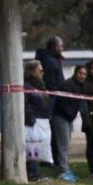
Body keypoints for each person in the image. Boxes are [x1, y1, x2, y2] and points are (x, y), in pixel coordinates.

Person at [52, 64, 87, 182]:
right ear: (76, 73)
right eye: (80, 73)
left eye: (84, 74)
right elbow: (63, 103)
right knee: (64, 144)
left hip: (68, 118)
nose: (82, 76)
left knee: (66, 144)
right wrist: (70, 115)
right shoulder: (67, 85)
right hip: (61, 117)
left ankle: (64, 166)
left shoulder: (80, 86)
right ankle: (64, 169)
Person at [35, 36, 65, 166]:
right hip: (52, 99)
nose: (62, 48)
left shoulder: (51, 60)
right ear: (55, 47)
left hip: (52, 98)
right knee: (50, 129)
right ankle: (51, 159)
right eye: (61, 46)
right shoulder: (51, 61)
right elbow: (52, 83)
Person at [23, 60, 52, 182]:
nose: (42, 72)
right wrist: (31, 118)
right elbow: (26, 103)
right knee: (32, 145)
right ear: (32, 71)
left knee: (39, 146)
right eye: (40, 70)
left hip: (42, 120)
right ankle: (31, 172)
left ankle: (35, 171)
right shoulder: (27, 86)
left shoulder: (40, 85)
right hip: (33, 121)